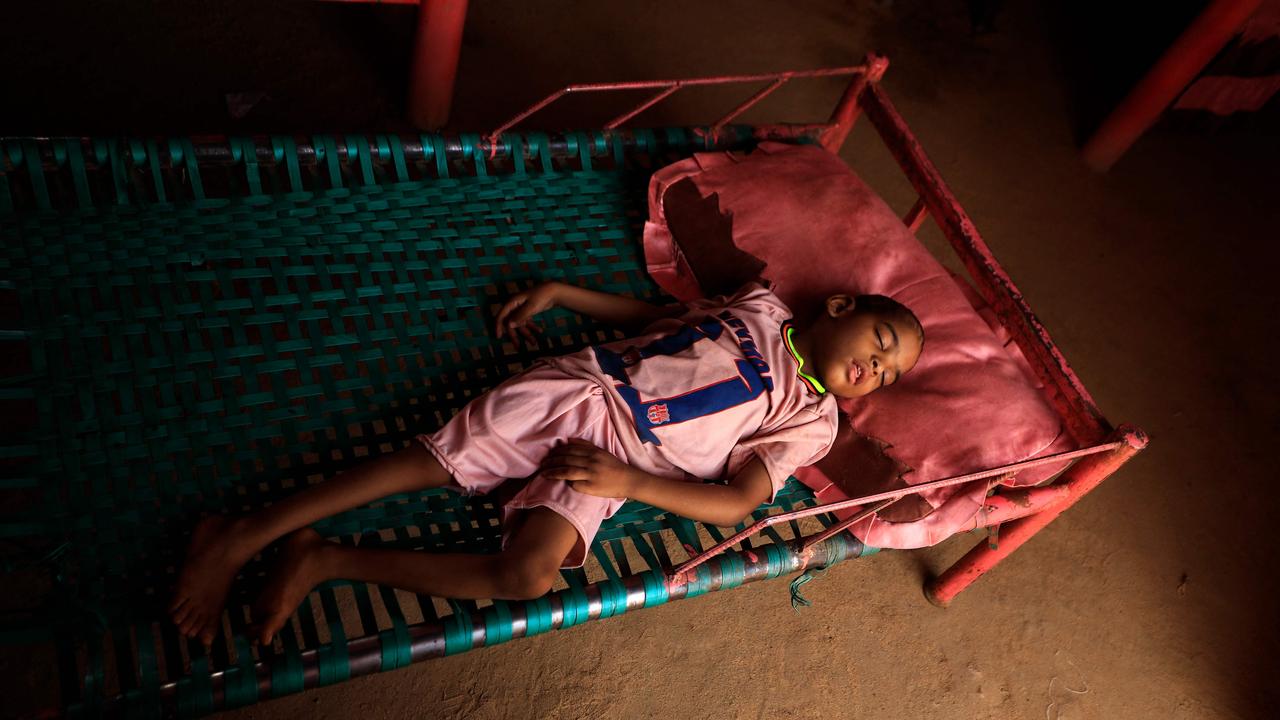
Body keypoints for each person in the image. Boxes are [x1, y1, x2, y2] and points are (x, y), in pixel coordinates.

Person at [169, 278, 924, 647]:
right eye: (880, 346)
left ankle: (327, 559)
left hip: (619, 462)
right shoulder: (761, 308)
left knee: (525, 577)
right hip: (582, 386)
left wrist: (628, 482)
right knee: (430, 462)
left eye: (889, 379)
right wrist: (565, 292)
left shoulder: (812, 419)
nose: (875, 371)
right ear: (839, 310)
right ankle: (241, 535)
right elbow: (664, 325)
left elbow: (735, 504)